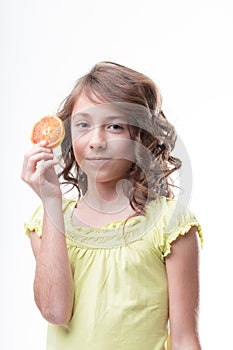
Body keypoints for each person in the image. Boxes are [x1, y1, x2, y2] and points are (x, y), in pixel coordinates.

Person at [21, 61, 203, 350]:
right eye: (83, 125)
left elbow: (184, 339)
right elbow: (56, 312)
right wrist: (52, 202)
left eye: (115, 126)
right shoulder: (46, 222)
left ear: (140, 136)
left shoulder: (171, 224)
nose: (96, 141)